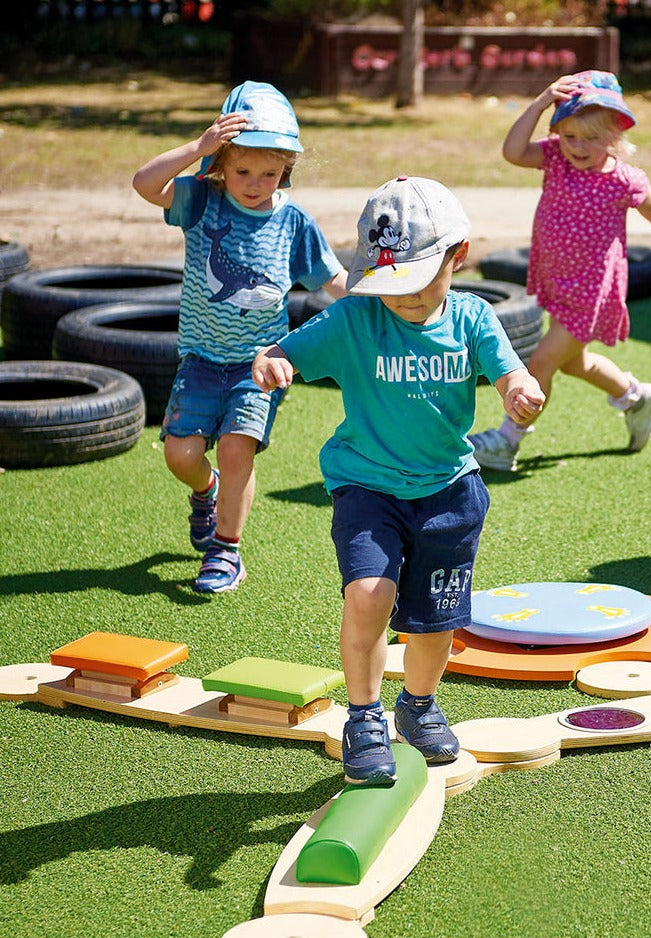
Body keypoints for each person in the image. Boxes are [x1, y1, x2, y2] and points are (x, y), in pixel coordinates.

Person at [252, 176, 545, 785]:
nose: (404, 299)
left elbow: (509, 372)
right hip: (368, 487)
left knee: (435, 619)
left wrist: (520, 391)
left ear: (457, 256)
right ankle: (364, 717)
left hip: (449, 491)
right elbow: (282, 352)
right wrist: (273, 362)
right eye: (392, 285)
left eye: (417, 282)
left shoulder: (472, 317)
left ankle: (418, 706)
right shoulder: (357, 319)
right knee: (367, 595)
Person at [132, 81, 348, 594]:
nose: (255, 183)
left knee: (235, 450)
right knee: (181, 455)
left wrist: (381, 300)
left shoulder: (293, 222)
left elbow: (332, 280)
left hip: (261, 363)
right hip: (201, 359)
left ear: (286, 170)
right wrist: (197, 148)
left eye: (270, 172)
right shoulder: (202, 201)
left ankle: (226, 550)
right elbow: (144, 183)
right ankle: (205, 492)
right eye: (243, 170)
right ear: (222, 164)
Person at [470, 70, 651, 472]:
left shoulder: (622, 179)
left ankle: (508, 440)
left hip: (590, 291)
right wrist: (541, 102)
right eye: (570, 135)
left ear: (615, 135)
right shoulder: (555, 158)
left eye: (591, 138)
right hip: (557, 280)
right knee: (574, 362)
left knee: (540, 363)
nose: (578, 146)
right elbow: (512, 151)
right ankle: (637, 397)